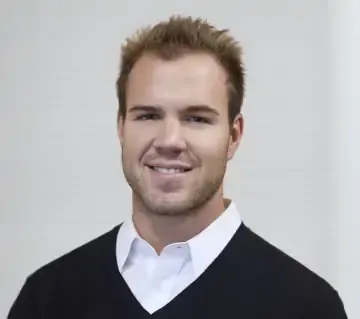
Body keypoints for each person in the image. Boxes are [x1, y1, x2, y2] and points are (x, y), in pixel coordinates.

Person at [8, 15, 347, 319]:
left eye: (196, 118)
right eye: (148, 115)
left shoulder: (305, 307)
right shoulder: (47, 299)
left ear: (234, 135)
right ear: (121, 127)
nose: (170, 140)